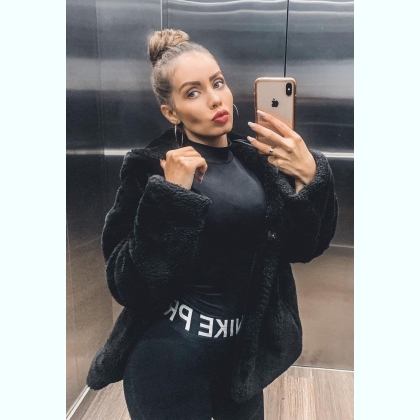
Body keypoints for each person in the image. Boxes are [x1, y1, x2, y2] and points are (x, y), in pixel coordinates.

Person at [87, 29, 338, 420]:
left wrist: (310, 178)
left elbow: (303, 247)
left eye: (217, 82)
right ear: (171, 112)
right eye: (193, 92)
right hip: (166, 360)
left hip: (240, 361)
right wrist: (171, 197)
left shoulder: (256, 163)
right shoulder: (152, 169)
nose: (215, 98)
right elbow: (127, 285)